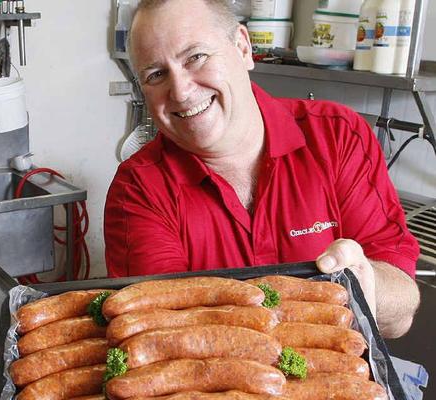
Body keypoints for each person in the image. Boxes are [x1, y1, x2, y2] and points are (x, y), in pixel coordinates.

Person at [103, 0, 421, 338]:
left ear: (242, 47)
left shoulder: (338, 136)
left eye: (196, 57)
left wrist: (366, 281)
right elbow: (164, 339)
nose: (180, 91)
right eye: (156, 74)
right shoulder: (137, 188)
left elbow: (400, 318)